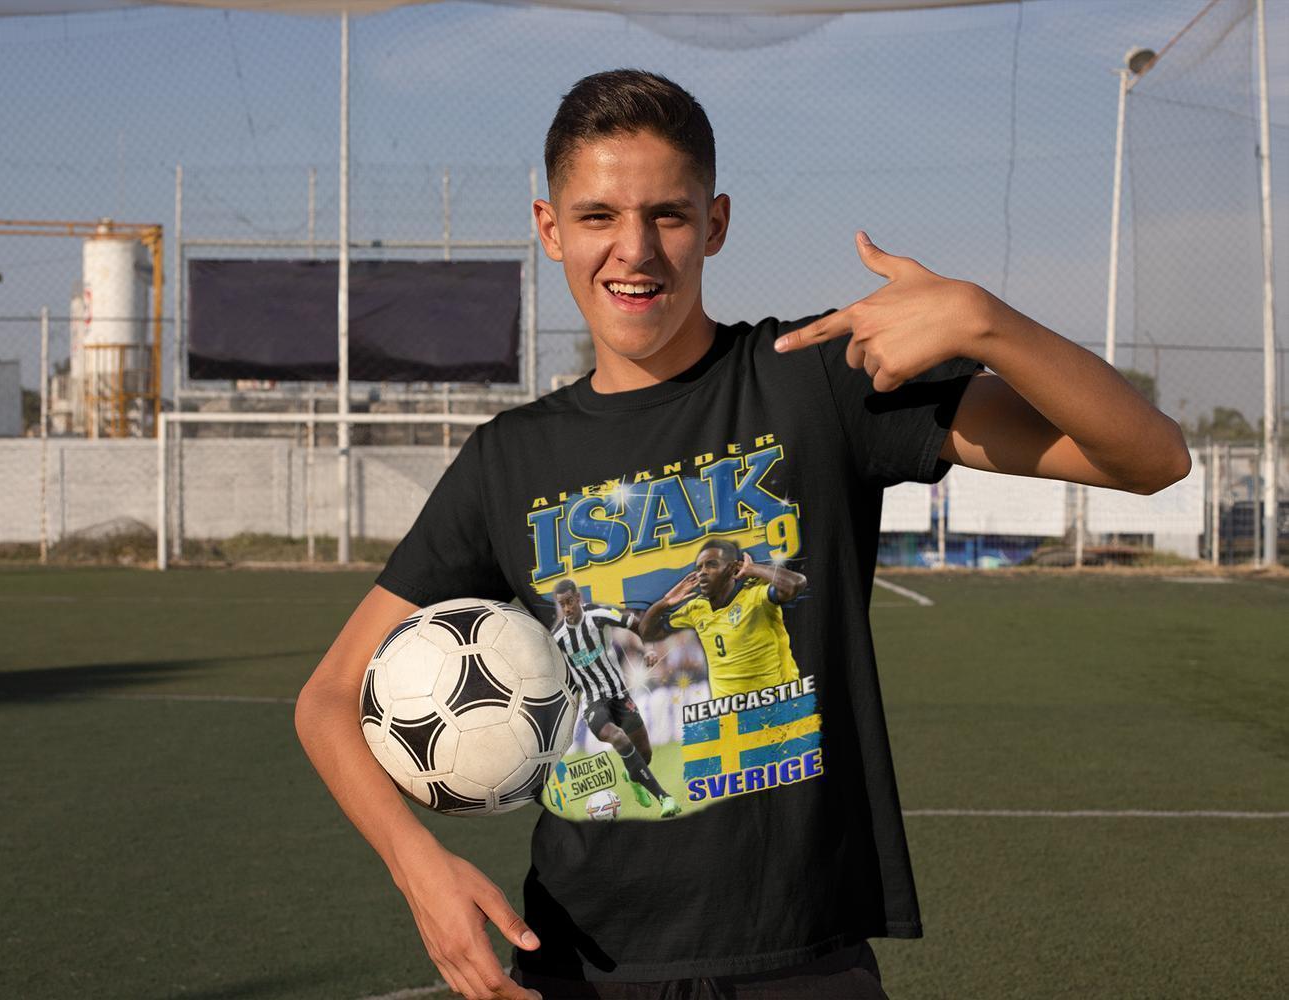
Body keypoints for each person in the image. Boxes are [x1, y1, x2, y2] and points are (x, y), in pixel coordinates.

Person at [294, 69, 1190, 1000]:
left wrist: (986, 323)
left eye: (668, 215)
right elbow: (327, 699)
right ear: (550, 228)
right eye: (598, 216)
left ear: (715, 223)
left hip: (798, 960)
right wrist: (417, 866)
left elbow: (1150, 457)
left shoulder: (814, 382)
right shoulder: (506, 460)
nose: (635, 250)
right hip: (579, 963)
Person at [549, 578, 681, 817]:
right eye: (562, 604)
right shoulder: (557, 637)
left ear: (578, 598)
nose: (567, 608)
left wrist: (649, 648)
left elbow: (637, 625)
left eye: (569, 602)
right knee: (618, 737)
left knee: (645, 754)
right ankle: (665, 798)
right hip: (593, 703)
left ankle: (633, 778)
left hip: (620, 696)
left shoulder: (598, 615)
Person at [638, 538, 808, 700]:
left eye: (711, 565)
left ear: (733, 568)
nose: (702, 572)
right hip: (729, 712)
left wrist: (752, 568)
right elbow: (647, 632)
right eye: (699, 567)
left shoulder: (755, 596)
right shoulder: (696, 609)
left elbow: (795, 584)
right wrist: (665, 602)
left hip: (777, 703)